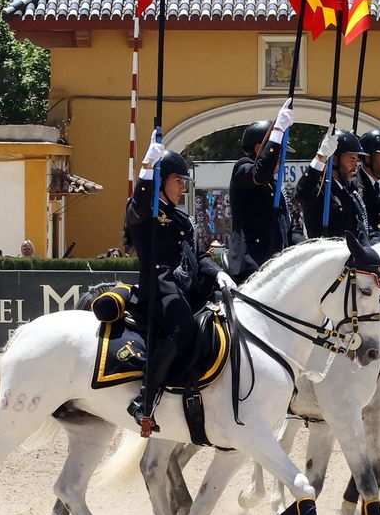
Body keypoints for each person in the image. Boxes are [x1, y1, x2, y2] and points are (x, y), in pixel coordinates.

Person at [126, 134, 235, 433]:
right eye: (178, 180)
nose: (183, 186)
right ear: (162, 180)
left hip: (185, 285)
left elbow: (198, 255)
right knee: (183, 328)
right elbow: (139, 203)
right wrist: (148, 168)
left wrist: (217, 274)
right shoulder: (146, 212)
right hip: (159, 286)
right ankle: (145, 398)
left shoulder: (182, 219)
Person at [226, 100, 296, 281]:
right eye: (278, 152)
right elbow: (259, 174)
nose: (281, 158)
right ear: (259, 149)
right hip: (251, 264)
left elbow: (285, 227)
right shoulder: (243, 167)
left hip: (274, 263)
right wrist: (278, 131)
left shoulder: (274, 184)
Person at [296, 129, 370, 242]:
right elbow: (303, 192)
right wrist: (321, 156)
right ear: (334, 159)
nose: (356, 165)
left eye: (357, 160)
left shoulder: (346, 191)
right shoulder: (321, 189)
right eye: (352, 159)